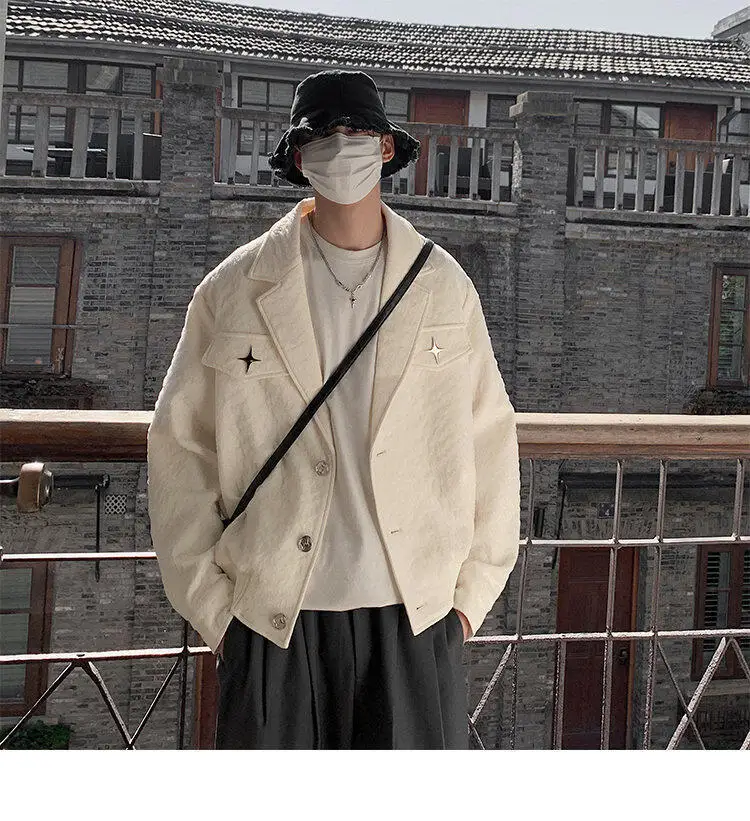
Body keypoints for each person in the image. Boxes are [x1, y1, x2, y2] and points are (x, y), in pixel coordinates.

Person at [146, 69, 521, 749]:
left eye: (356, 131)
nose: (340, 146)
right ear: (299, 157)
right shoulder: (232, 290)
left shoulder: (443, 286)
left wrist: (468, 602)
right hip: (271, 616)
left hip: (415, 614)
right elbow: (180, 449)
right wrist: (217, 613)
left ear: (386, 147)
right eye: (321, 134)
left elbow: (490, 439)